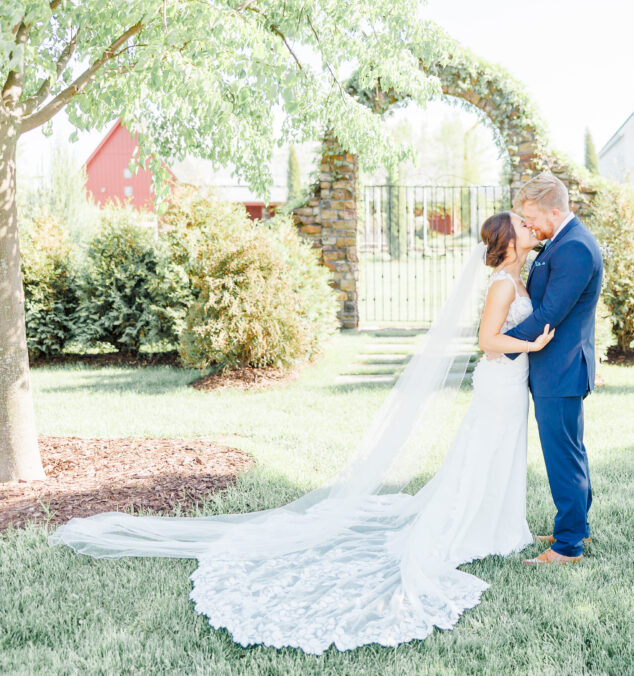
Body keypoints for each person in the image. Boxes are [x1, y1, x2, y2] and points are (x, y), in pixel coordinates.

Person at [48, 210, 555, 653]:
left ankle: (499, 524)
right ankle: (475, 525)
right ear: (507, 243)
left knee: (500, 456)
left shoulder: (523, 277)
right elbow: (490, 341)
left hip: (511, 385)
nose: (530, 229)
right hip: (500, 381)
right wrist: (533, 347)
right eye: (522, 227)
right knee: (483, 454)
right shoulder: (503, 285)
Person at [503, 172, 604, 565]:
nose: (527, 225)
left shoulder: (575, 248)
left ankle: (567, 547)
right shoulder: (562, 242)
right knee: (569, 452)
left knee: (562, 455)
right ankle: (576, 526)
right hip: (556, 367)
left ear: (555, 210)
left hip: (560, 369)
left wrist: (499, 346)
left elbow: (549, 315)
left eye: (530, 218)